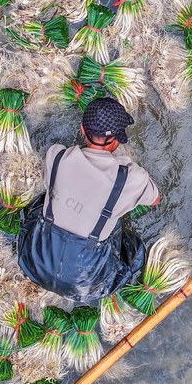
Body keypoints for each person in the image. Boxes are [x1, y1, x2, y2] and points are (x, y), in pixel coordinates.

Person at [17, 97, 161, 302]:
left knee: (42, 201)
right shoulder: (131, 178)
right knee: (133, 249)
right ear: (118, 140)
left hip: (34, 262)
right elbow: (156, 200)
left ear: (83, 130)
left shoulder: (56, 156)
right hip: (83, 281)